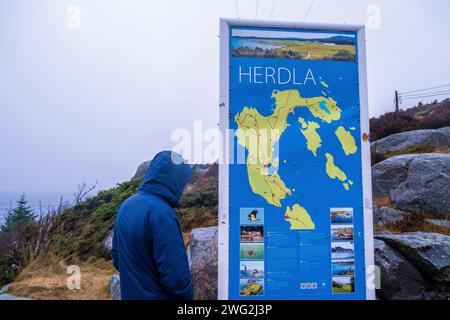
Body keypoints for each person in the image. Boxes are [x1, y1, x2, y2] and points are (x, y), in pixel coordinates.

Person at [112, 151, 194, 300]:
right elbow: (176, 278)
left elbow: (117, 259)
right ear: (174, 179)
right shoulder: (162, 213)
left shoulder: (126, 206)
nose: (184, 188)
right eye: (183, 181)